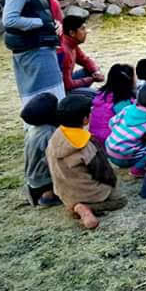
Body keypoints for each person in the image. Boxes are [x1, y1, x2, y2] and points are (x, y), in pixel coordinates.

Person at [46, 95, 126, 229]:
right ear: (85, 119)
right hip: (87, 192)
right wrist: (112, 183)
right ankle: (84, 207)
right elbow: (102, 172)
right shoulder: (86, 144)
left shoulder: (56, 135)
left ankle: (75, 203)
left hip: (63, 191)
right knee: (120, 200)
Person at [105, 83, 146, 177]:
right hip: (126, 159)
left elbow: (111, 123)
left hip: (109, 151)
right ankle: (137, 169)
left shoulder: (127, 109)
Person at [21, 93, 61, 206]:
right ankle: (48, 196)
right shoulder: (49, 133)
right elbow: (53, 159)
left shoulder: (32, 130)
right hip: (44, 180)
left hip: (32, 177)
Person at [89, 64, 136, 144]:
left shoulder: (101, 95)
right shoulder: (123, 102)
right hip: (110, 143)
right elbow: (131, 125)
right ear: (129, 81)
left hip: (95, 139)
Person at [60, 15, 104, 98]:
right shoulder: (65, 52)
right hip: (64, 89)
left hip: (67, 82)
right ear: (72, 33)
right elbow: (67, 85)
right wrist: (92, 79)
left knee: (89, 70)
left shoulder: (72, 44)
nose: (86, 32)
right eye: (82, 29)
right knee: (98, 95)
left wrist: (96, 71)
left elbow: (85, 60)